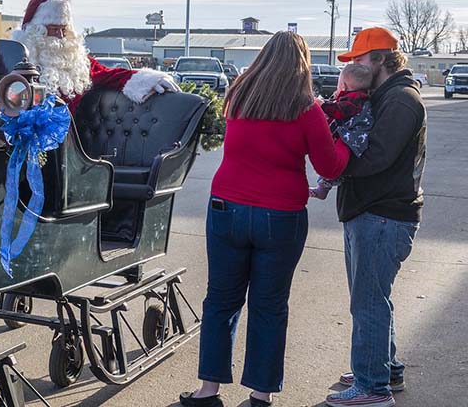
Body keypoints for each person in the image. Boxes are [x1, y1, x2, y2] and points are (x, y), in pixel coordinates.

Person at [181, 32, 351, 407]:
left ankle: (207, 391)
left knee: (221, 301)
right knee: (269, 305)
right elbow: (329, 165)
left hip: (226, 207)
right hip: (280, 215)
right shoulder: (305, 109)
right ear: (302, 64)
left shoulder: (239, 97)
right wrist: (345, 142)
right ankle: (261, 394)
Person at [324, 28, 426, 407]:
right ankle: (384, 367)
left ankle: (372, 387)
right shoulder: (385, 96)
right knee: (374, 297)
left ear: (382, 59)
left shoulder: (400, 100)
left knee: (368, 301)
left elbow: (376, 157)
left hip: (383, 215)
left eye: (360, 58)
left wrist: (335, 162)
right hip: (374, 213)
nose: (354, 64)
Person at [11, 0, 179, 111]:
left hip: (67, 144)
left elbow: (110, 75)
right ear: (35, 31)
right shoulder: (15, 58)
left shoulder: (77, 63)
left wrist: (149, 79)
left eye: (63, 29)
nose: (61, 36)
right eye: (55, 29)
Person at [309, 63, 374, 199]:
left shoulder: (356, 99)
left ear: (343, 85)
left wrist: (323, 105)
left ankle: (323, 187)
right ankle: (323, 187)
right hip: (349, 136)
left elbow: (341, 111)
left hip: (352, 138)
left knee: (336, 158)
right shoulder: (354, 97)